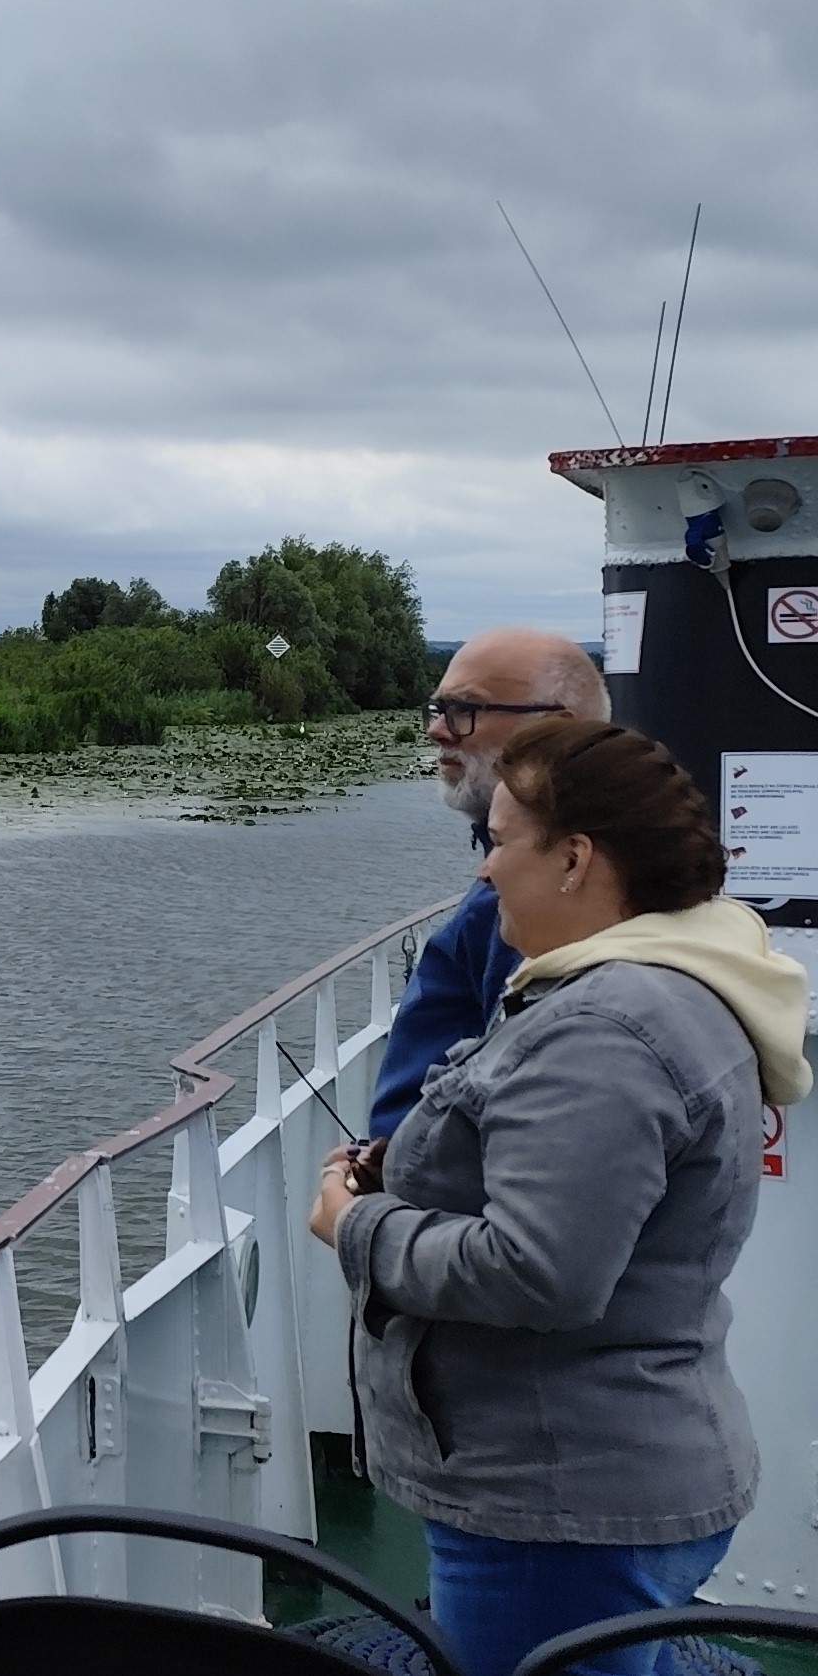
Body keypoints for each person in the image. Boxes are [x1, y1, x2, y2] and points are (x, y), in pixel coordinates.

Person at [310, 717, 812, 1676]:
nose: (486, 872)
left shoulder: (608, 1030)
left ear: (576, 858)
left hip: (557, 1508)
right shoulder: (661, 986)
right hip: (593, 1481)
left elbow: (539, 1273)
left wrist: (355, 1224)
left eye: (498, 843)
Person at [370, 627, 612, 1138]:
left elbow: (534, 1120)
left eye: (465, 710)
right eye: (436, 709)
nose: (438, 730)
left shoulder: (546, 901)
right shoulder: (594, 866)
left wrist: (369, 1212)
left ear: (556, 729)